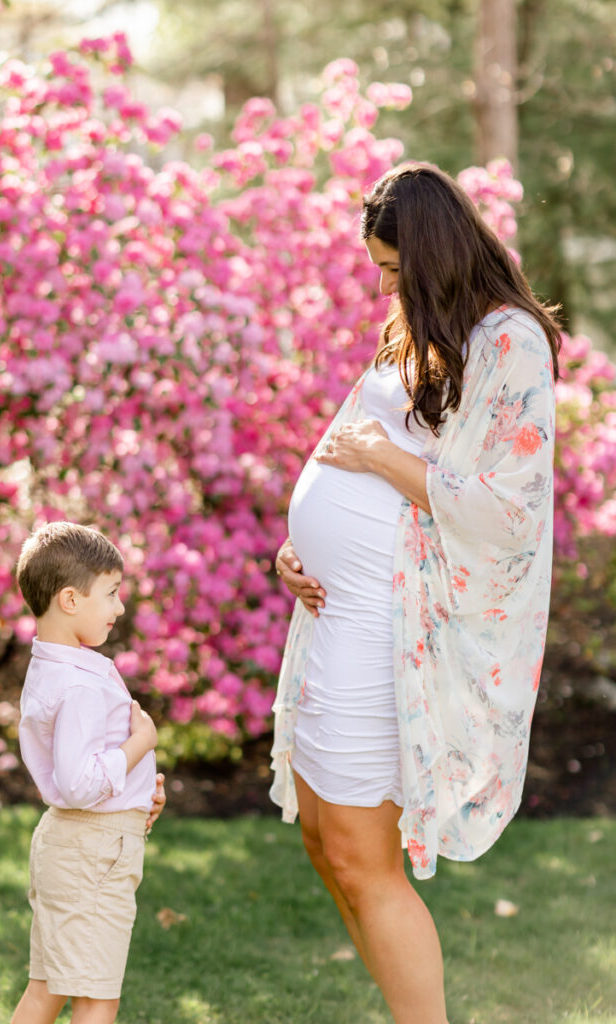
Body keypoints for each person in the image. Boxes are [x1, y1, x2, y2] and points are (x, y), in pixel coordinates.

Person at [270, 163, 561, 1024]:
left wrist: (383, 464)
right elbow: (347, 446)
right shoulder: (415, 330)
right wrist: (294, 551)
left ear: (433, 254)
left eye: (395, 271)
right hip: (335, 615)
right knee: (325, 842)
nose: (386, 288)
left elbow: (510, 513)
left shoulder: (509, 342)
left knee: (364, 856)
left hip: (395, 626)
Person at [11, 521, 166, 1024]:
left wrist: (141, 789)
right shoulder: (77, 685)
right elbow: (79, 784)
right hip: (91, 853)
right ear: (71, 600)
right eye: (113, 593)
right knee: (97, 996)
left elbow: (86, 765)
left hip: (79, 847)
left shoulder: (55, 665)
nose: (120, 607)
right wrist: (141, 744)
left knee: (49, 987)